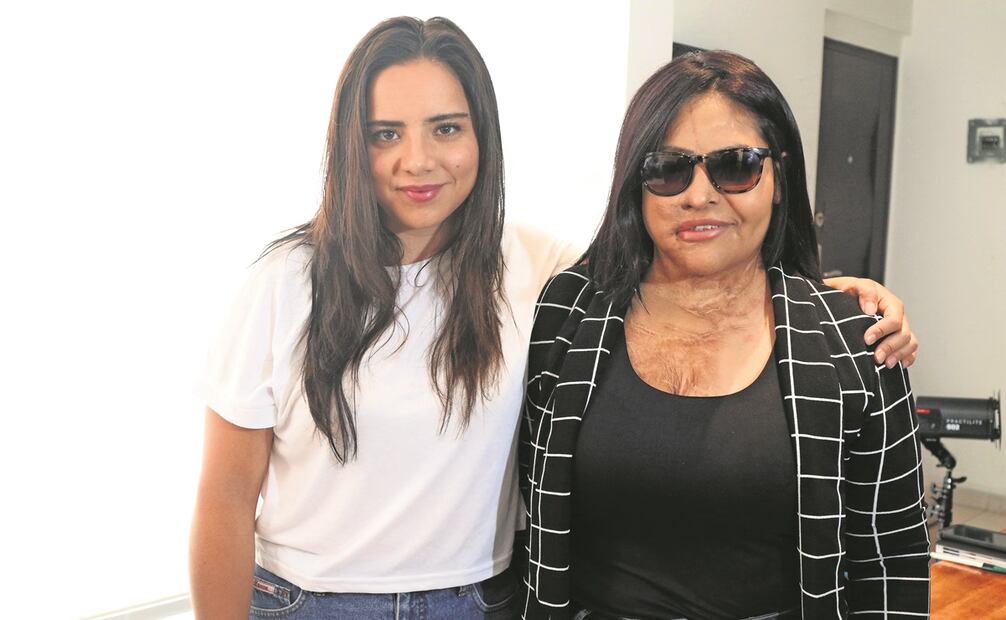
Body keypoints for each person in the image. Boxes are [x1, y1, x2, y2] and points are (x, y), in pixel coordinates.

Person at [189, 17, 919, 620]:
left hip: (482, 601)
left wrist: (836, 298)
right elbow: (224, 498)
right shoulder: (288, 283)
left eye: (446, 128)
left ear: (483, 138)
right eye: (385, 133)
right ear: (351, 142)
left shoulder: (534, 269)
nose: (417, 160)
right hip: (313, 602)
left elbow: (697, 255)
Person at [519, 51, 930, 620]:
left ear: (779, 177)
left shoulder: (854, 339)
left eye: (735, 166)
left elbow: (892, 560)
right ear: (636, 184)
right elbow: (530, 519)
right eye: (669, 169)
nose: (699, 195)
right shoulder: (570, 311)